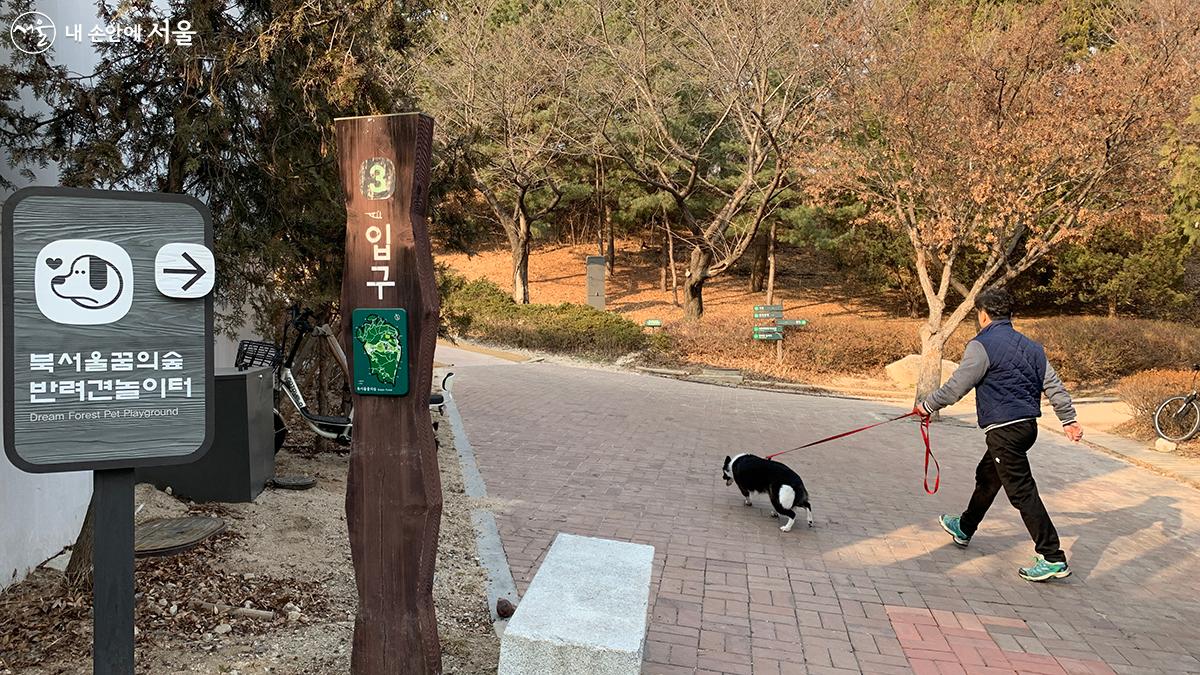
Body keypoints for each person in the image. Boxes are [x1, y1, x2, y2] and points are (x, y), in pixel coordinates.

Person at [915, 288, 1083, 582]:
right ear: (1008, 314)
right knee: (988, 475)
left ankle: (1053, 556)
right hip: (1026, 428)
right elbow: (1054, 386)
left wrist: (928, 405)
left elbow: (957, 386)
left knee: (1022, 492)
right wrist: (1068, 419)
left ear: (982, 315)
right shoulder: (1032, 348)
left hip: (1005, 432)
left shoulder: (982, 345)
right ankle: (965, 527)